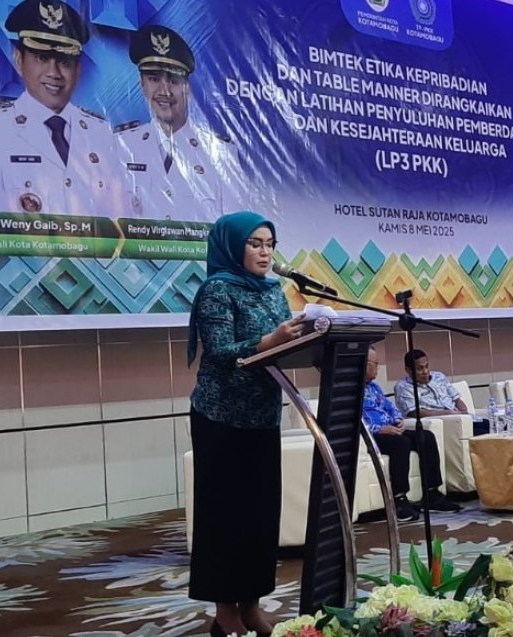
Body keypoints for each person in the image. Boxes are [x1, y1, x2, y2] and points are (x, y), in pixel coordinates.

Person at [186, 210, 306, 637]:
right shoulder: (217, 290)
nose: (264, 252)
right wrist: (268, 341)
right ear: (233, 246)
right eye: (255, 243)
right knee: (225, 517)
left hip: (261, 415)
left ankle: (252, 606)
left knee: (259, 516)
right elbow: (220, 351)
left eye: (269, 244)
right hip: (220, 418)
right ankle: (225, 613)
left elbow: (285, 344)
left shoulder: (274, 291)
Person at [0, 0, 125, 216]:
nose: (54, 73)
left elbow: (118, 219)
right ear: (19, 60)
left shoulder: (100, 133)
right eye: (42, 58)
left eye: (64, 62)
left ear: (78, 70)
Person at [117, 24, 243, 221]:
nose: (164, 91)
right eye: (154, 79)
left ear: (187, 88)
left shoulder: (219, 151)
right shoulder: (121, 145)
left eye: (174, 81)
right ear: (142, 85)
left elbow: (235, 228)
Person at [363, 346, 462, 520]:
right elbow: (354, 422)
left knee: (426, 436)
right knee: (401, 443)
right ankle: (399, 499)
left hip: (391, 429)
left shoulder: (375, 388)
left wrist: (397, 420)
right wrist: (380, 429)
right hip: (371, 436)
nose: (378, 367)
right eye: (376, 363)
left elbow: (391, 408)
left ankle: (431, 494)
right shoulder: (349, 391)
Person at [394, 349, 490, 435]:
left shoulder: (439, 376)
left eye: (427, 366)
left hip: (461, 419)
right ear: (408, 370)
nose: (425, 371)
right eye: (420, 368)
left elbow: (456, 398)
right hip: (444, 423)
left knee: (493, 426)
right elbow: (414, 412)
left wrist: (463, 411)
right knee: (483, 434)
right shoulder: (403, 387)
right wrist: (448, 413)